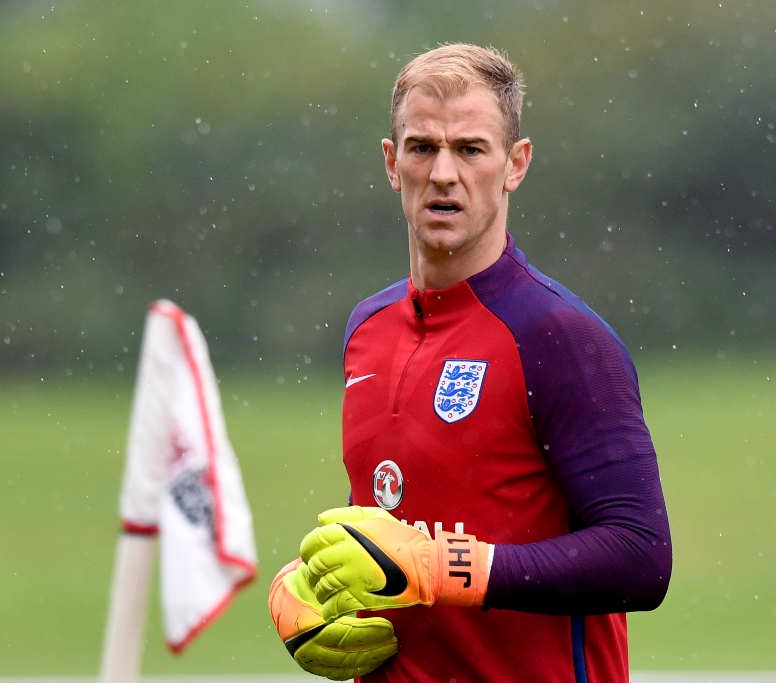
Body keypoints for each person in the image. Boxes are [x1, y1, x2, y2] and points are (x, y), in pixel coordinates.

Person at [269, 43, 672, 683]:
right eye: (422, 147)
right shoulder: (367, 330)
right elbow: (386, 527)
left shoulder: (560, 336)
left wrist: (448, 570)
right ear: (391, 163)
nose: (444, 173)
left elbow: (640, 557)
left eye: (471, 149)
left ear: (516, 164)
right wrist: (311, 592)